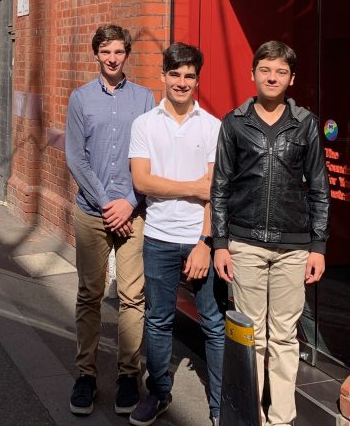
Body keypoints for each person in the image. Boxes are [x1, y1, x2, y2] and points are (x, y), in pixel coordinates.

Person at [211, 41, 330, 426]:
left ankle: (282, 418)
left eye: (280, 71)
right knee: (254, 337)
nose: (272, 77)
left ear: (291, 78)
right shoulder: (235, 122)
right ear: (253, 74)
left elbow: (319, 187)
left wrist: (318, 246)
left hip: (293, 247)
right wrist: (220, 243)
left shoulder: (306, 124)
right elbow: (220, 187)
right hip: (244, 244)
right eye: (266, 69)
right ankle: (252, 417)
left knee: (283, 337)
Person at [127, 43, 225, 426]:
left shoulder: (213, 126)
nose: (182, 82)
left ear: (197, 80)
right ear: (163, 75)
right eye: (175, 74)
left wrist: (205, 242)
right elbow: (142, 180)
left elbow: (214, 193)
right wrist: (192, 187)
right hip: (160, 236)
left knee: (214, 324)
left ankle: (219, 405)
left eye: (189, 76)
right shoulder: (145, 124)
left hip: (199, 238)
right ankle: (159, 393)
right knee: (159, 319)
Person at [66, 25, 155, 417]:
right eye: (106, 51)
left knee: (134, 297)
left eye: (119, 51)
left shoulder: (145, 98)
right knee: (90, 294)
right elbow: (75, 158)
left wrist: (130, 202)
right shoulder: (81, 99)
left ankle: (127, 375)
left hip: (135, 213)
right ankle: (85, 374)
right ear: (97, 54)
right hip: (92, 212)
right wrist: (108, 204)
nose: (113, 58)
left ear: (127, 54)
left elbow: (154, 156)